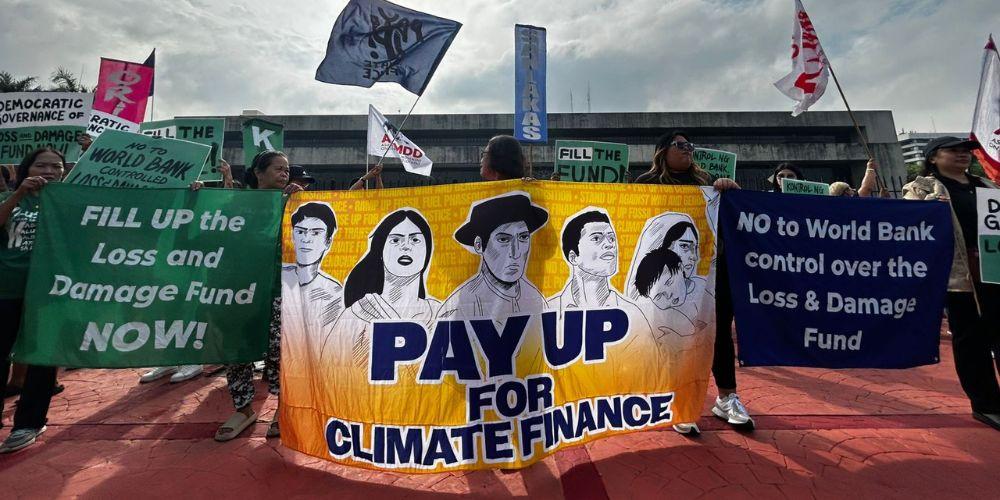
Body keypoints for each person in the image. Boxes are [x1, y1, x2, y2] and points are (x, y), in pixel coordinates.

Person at [634, 130, 748, 435]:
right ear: (662, 150)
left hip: (710, 270)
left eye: (690, 146)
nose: (688, 150)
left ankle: (727, 397)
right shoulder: (645, 185)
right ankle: (679, 401)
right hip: (667, 278)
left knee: (718, 330)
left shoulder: (707, 183)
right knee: (674, 336)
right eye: (680, 145)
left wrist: (730, 191)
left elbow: (728, 220)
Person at [903, 136, 1000, 431]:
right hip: (959, 274)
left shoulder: (988, 187)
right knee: (971, 339)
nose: (962, 156)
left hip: (994, 268)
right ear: (933, 158)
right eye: (953, 151)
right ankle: (986, 403)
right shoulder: (920, 189)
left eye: (965, 152)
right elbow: (910, 224)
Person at [215, 150, 303, 442]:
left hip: (278, 289)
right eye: (278, 168)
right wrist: (197, 196)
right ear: (257, 172)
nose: (284, 173)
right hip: (240, 289)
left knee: (280, 350)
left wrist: (302, 202)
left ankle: (282, 408)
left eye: (287, 169)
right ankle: (243, 408)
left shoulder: (293, 202)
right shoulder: (237, 204)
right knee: (237, 349)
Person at [0, 148, 66, 453]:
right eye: (42, 165)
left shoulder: (70, 202)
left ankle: (29, 422)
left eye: (57, 166)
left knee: (40, 357)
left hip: (49, 292)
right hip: (7, 289)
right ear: (27, 169)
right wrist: (16, 197)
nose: (50, 171)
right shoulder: (10, 201)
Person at [326, 209, 438, 368]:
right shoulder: (357, 313)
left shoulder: (440, 313)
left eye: (414, 240)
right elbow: (330, 372)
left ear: (428, 251)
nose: (406, 247)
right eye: (395, 240)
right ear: (380, 251)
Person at [438, 192, 548, 320]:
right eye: (503, 240)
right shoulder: (459, 306)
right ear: (479, 245)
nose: (516, 253)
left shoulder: (534, 296)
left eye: (523, 237)